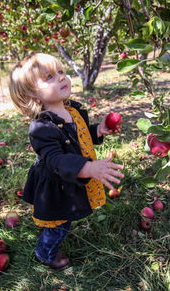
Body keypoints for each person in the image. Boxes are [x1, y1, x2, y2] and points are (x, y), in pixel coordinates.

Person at [9, 52, 124, 271]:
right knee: (61, 224)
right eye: (50, 77)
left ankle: (48, 234)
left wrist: (98, 130)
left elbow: (78, 137)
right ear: (35, 97)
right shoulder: (41, 128)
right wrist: (88, 167)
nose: (62, 77)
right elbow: (55, 160)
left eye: (61, 72)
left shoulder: (71, 111)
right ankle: (45, 252)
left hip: (68, 179)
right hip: (56, 186)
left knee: (60, 222)